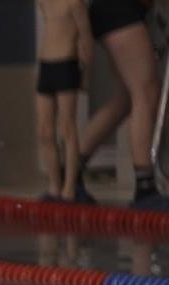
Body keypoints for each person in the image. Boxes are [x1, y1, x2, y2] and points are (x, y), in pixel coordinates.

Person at [72, 0, 167, 207]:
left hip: (115, 11)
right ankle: (145, 186)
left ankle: (71, 170)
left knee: (124, 100)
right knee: (146, 93)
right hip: (120, 9)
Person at [36, 0, 92, 202]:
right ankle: (54, 185)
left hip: (66, 65)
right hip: (45, 66)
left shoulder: (75, 3)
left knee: (67, 128)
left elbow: (86, 39)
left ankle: (69, 186)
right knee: (44, 131)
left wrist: (85, 75)